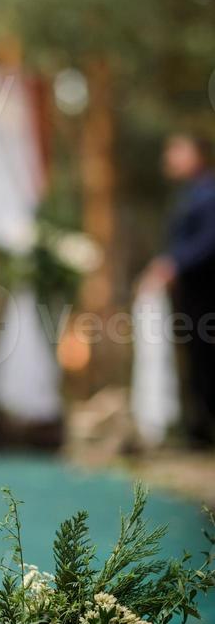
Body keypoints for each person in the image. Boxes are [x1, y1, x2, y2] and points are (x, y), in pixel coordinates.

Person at [138, 133, 215, 446]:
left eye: (177, 150)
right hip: (193, 293)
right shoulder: (189, 194)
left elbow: (209, 240)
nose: (169, 157)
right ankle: (199, 427)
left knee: (207, 355)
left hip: (208, 290)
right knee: (197, 356)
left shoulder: (209, 193)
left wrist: (174, 264)